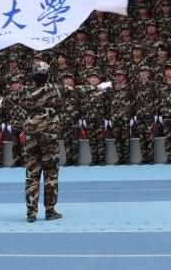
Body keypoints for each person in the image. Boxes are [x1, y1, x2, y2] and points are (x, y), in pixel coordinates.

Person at [19, 60, 110, 222]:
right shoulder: (56, 89)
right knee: (51, 174)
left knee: (31, 175)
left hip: (31, 138)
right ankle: (50, 211)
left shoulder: (24, 91)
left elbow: (7, 101)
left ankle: (31, 213)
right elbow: (78, 90)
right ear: (48, 75)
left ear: (32, 76)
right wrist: (98, 87)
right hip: (50, 139)